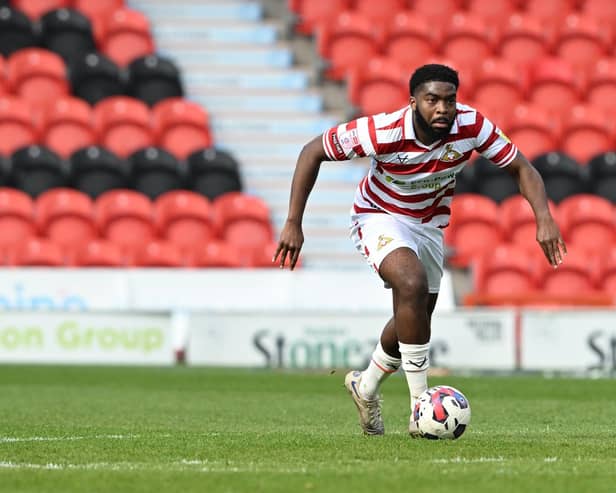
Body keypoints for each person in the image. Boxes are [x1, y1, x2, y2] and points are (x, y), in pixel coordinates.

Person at [273, 64, 566, 436]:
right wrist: (294, 221)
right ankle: (421, 408)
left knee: (415, 316)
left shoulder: (472, 126)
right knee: (410, 284)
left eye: (449, 100)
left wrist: (543, 216)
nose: (442, 108)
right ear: (413, 102)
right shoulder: (383, 130)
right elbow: (312, 151)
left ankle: (365, 388)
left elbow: (522, 168)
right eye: (432, 100)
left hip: (428, 226)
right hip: (378, 215)